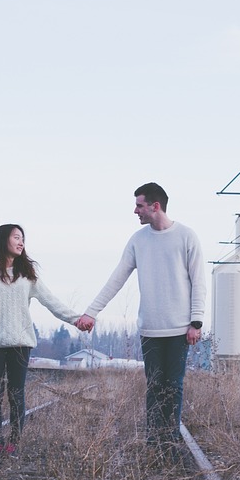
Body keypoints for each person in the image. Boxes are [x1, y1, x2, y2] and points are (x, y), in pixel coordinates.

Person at [75, 183, 205, 447]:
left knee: (174, 387)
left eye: (139, 206)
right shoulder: (138, 240)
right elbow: (117, 279)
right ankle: (153, 443)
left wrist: (196, 322)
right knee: (155, 387)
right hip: (150, 330)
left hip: (180, 329)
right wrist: (92, 312)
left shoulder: (187, 236)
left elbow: (198, 281)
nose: (136, 211)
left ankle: (170, 442)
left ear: (155, 206)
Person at [0, 223, 83, 455]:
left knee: (16, 393)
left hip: (21, 344)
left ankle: (14, 440)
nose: (21, 242)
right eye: (16, 238)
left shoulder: (27, 275)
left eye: (22, 239)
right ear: (3, 241)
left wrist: (77, 319)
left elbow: (52, 302)